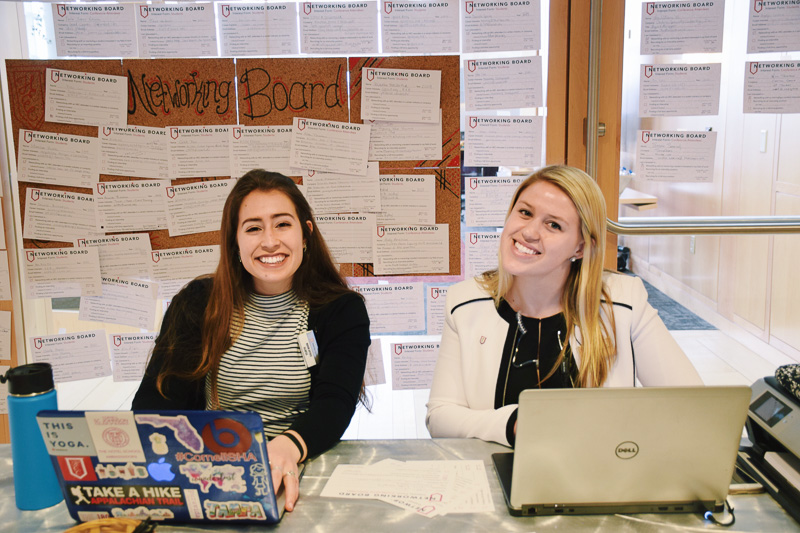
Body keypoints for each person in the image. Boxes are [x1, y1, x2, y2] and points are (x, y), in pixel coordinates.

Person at [133, 170, 370, 511]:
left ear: (306, 234)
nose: (270, 241)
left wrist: (288, 447)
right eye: (254, 227)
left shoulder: (341, 310)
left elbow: (334, 403)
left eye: (282, 224)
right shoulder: (197, 303)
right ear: (236, 242)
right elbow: (153, 407)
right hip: (212, 472)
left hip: (302, 462)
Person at [426, 165, 702, 447]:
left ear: (580, 248)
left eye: (553, 225)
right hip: (494, 477)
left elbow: (691, 406)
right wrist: (513, 424)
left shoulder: (624, 300)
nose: (529, 232)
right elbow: (441, 417)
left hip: (594, 483)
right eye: (525, 212)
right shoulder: (465, 301)